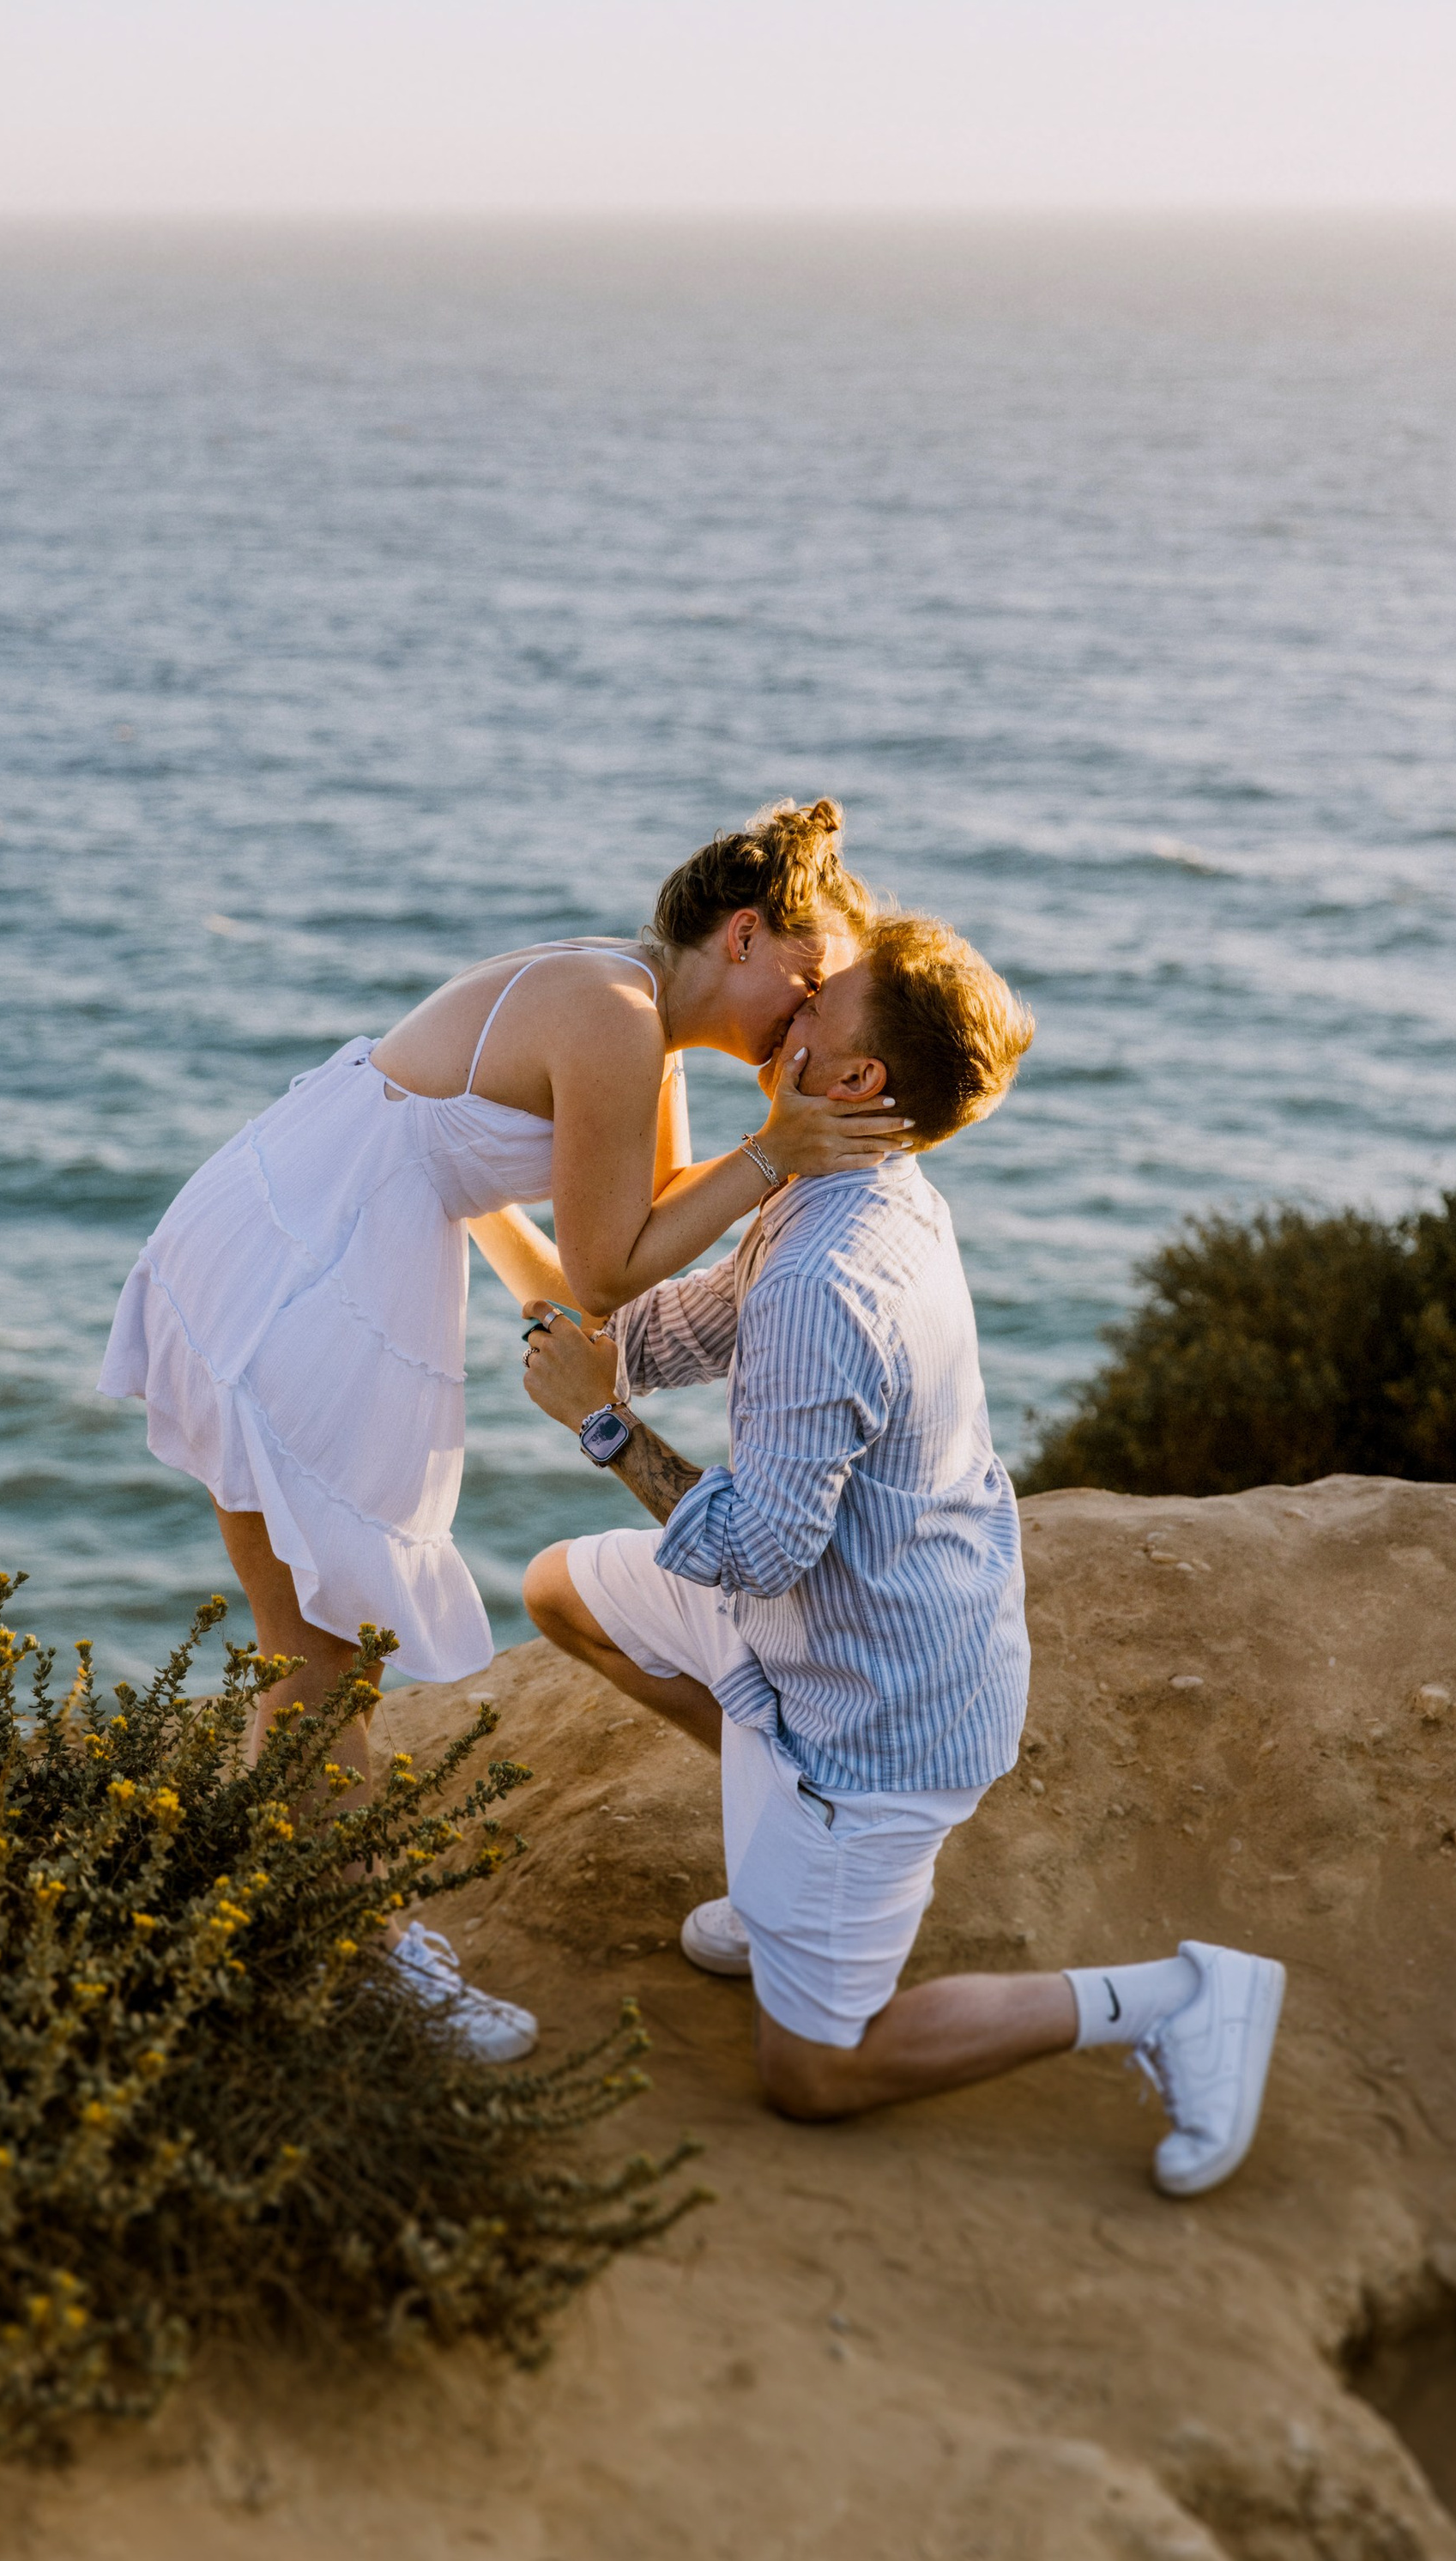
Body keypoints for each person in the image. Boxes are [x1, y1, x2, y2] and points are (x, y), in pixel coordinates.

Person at [98, 799, 902, 2055]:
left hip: (294, 1224)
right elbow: (606, 1265)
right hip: (311, 1269)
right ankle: (370, 1964)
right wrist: (779, 1150)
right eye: (806, 986)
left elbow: (630, 1225)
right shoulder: (616, 1016)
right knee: (322, 1652)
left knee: (299, 1645)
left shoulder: (637, 1011)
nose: (806, 1022)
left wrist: (753, 1170)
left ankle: (280, 1917)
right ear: (744, 936)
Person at [518, 914, 1287, 2192]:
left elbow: (759, 1546)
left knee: (814, 2074)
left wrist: (602, 1422)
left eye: (825, 1005)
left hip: (876, 1711)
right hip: (812, 1631)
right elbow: (691, 1321)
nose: (795, 1007)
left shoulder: (833, 1272)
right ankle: (779, 1844)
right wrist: (570, 1291)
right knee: (563, 1590)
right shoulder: (846, 1185)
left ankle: (1176, 1996)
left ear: (862, 1079)